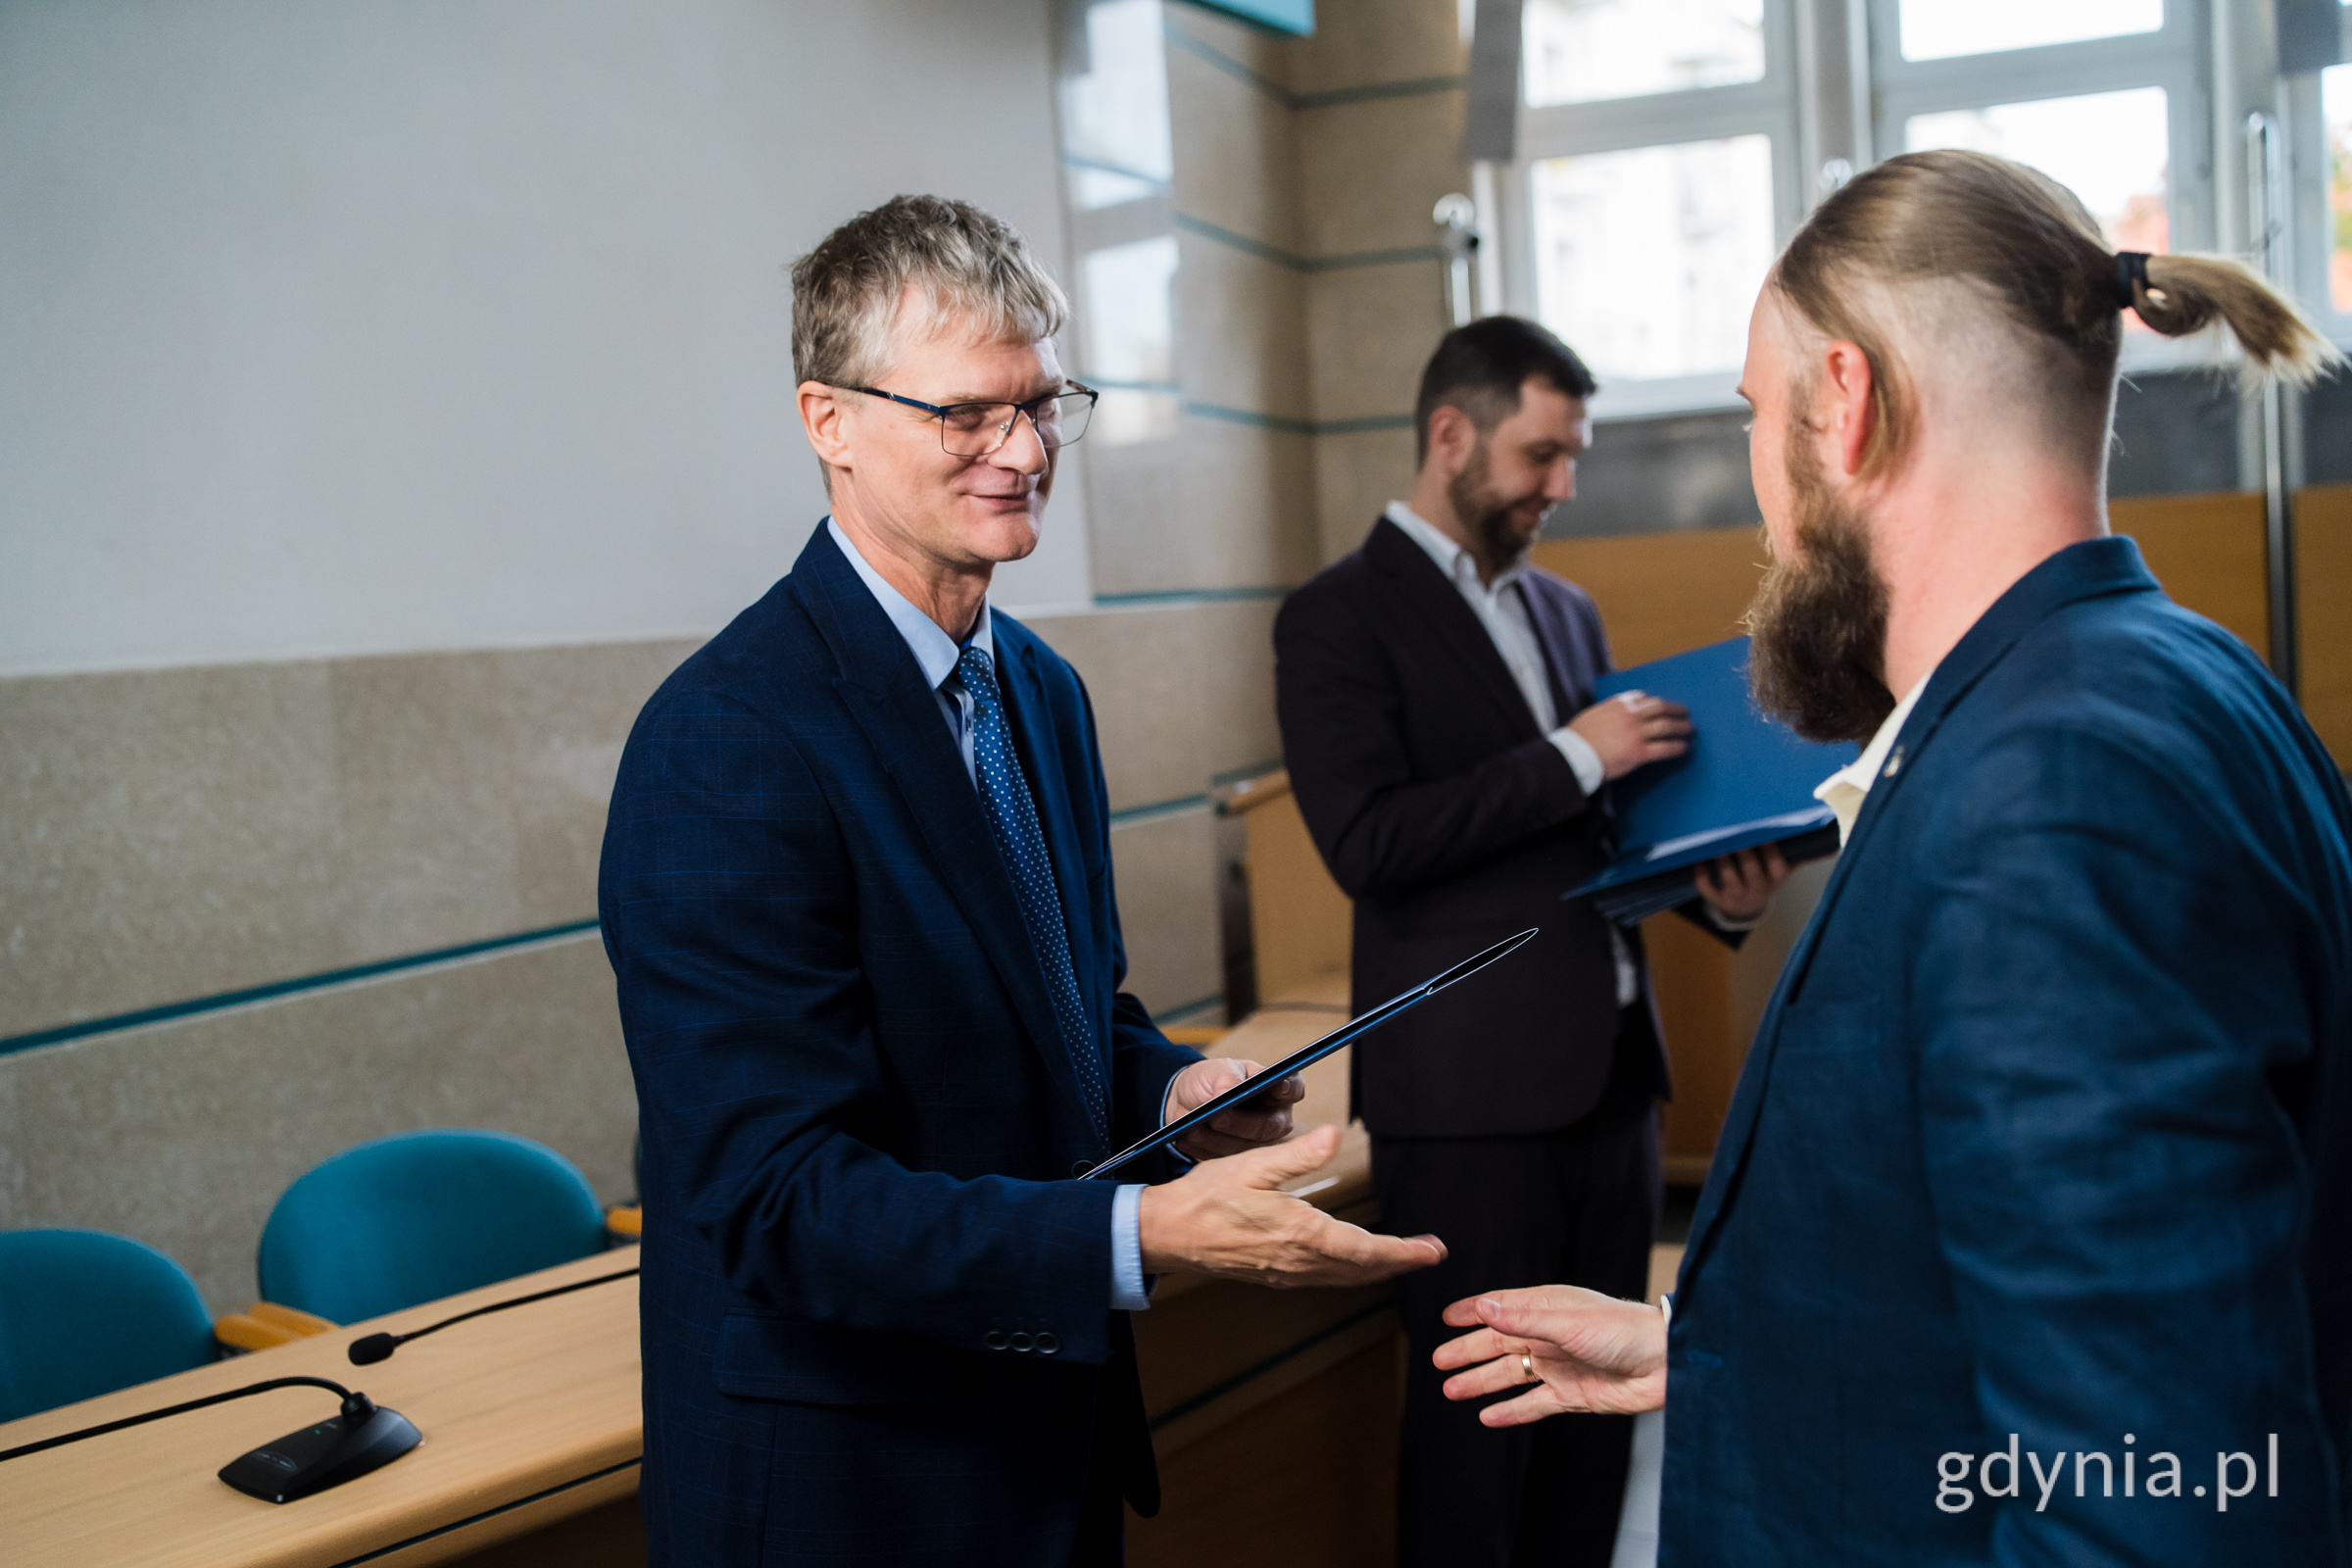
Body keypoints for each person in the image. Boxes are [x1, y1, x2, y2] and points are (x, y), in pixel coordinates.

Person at [1434, 150, 2352, 1564]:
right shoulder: (2168, 678)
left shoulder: (2053, 790)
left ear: (1845, 406)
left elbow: (2160, 1497)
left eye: (1756, 415)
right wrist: (1722, 1347)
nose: (1759, 487)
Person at [599, 194, 1445, 1568]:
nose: (1026, 449)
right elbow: (779, 1199)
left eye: (1047, 405)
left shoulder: (1038, 691)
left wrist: (1169, 1094)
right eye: (970, 414)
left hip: (1044, 1443)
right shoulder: (726, 742)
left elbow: (1065, 1018)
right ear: (829, 421)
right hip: (850, 1486)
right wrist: (1140, 1229)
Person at [1272, 316, 1790, 1568]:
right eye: (1541, 454)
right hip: (1469, 1104)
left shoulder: (1564, 607)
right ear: (1449, 435)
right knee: (1475, 1450)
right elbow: (1369, 845)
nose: (1563, 485)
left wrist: (1716, 893)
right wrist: (1575, 753)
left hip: (1611, 1085)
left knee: (1588, 1446)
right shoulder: (1336, 618)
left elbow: (1597, 835)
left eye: (1573, 457)